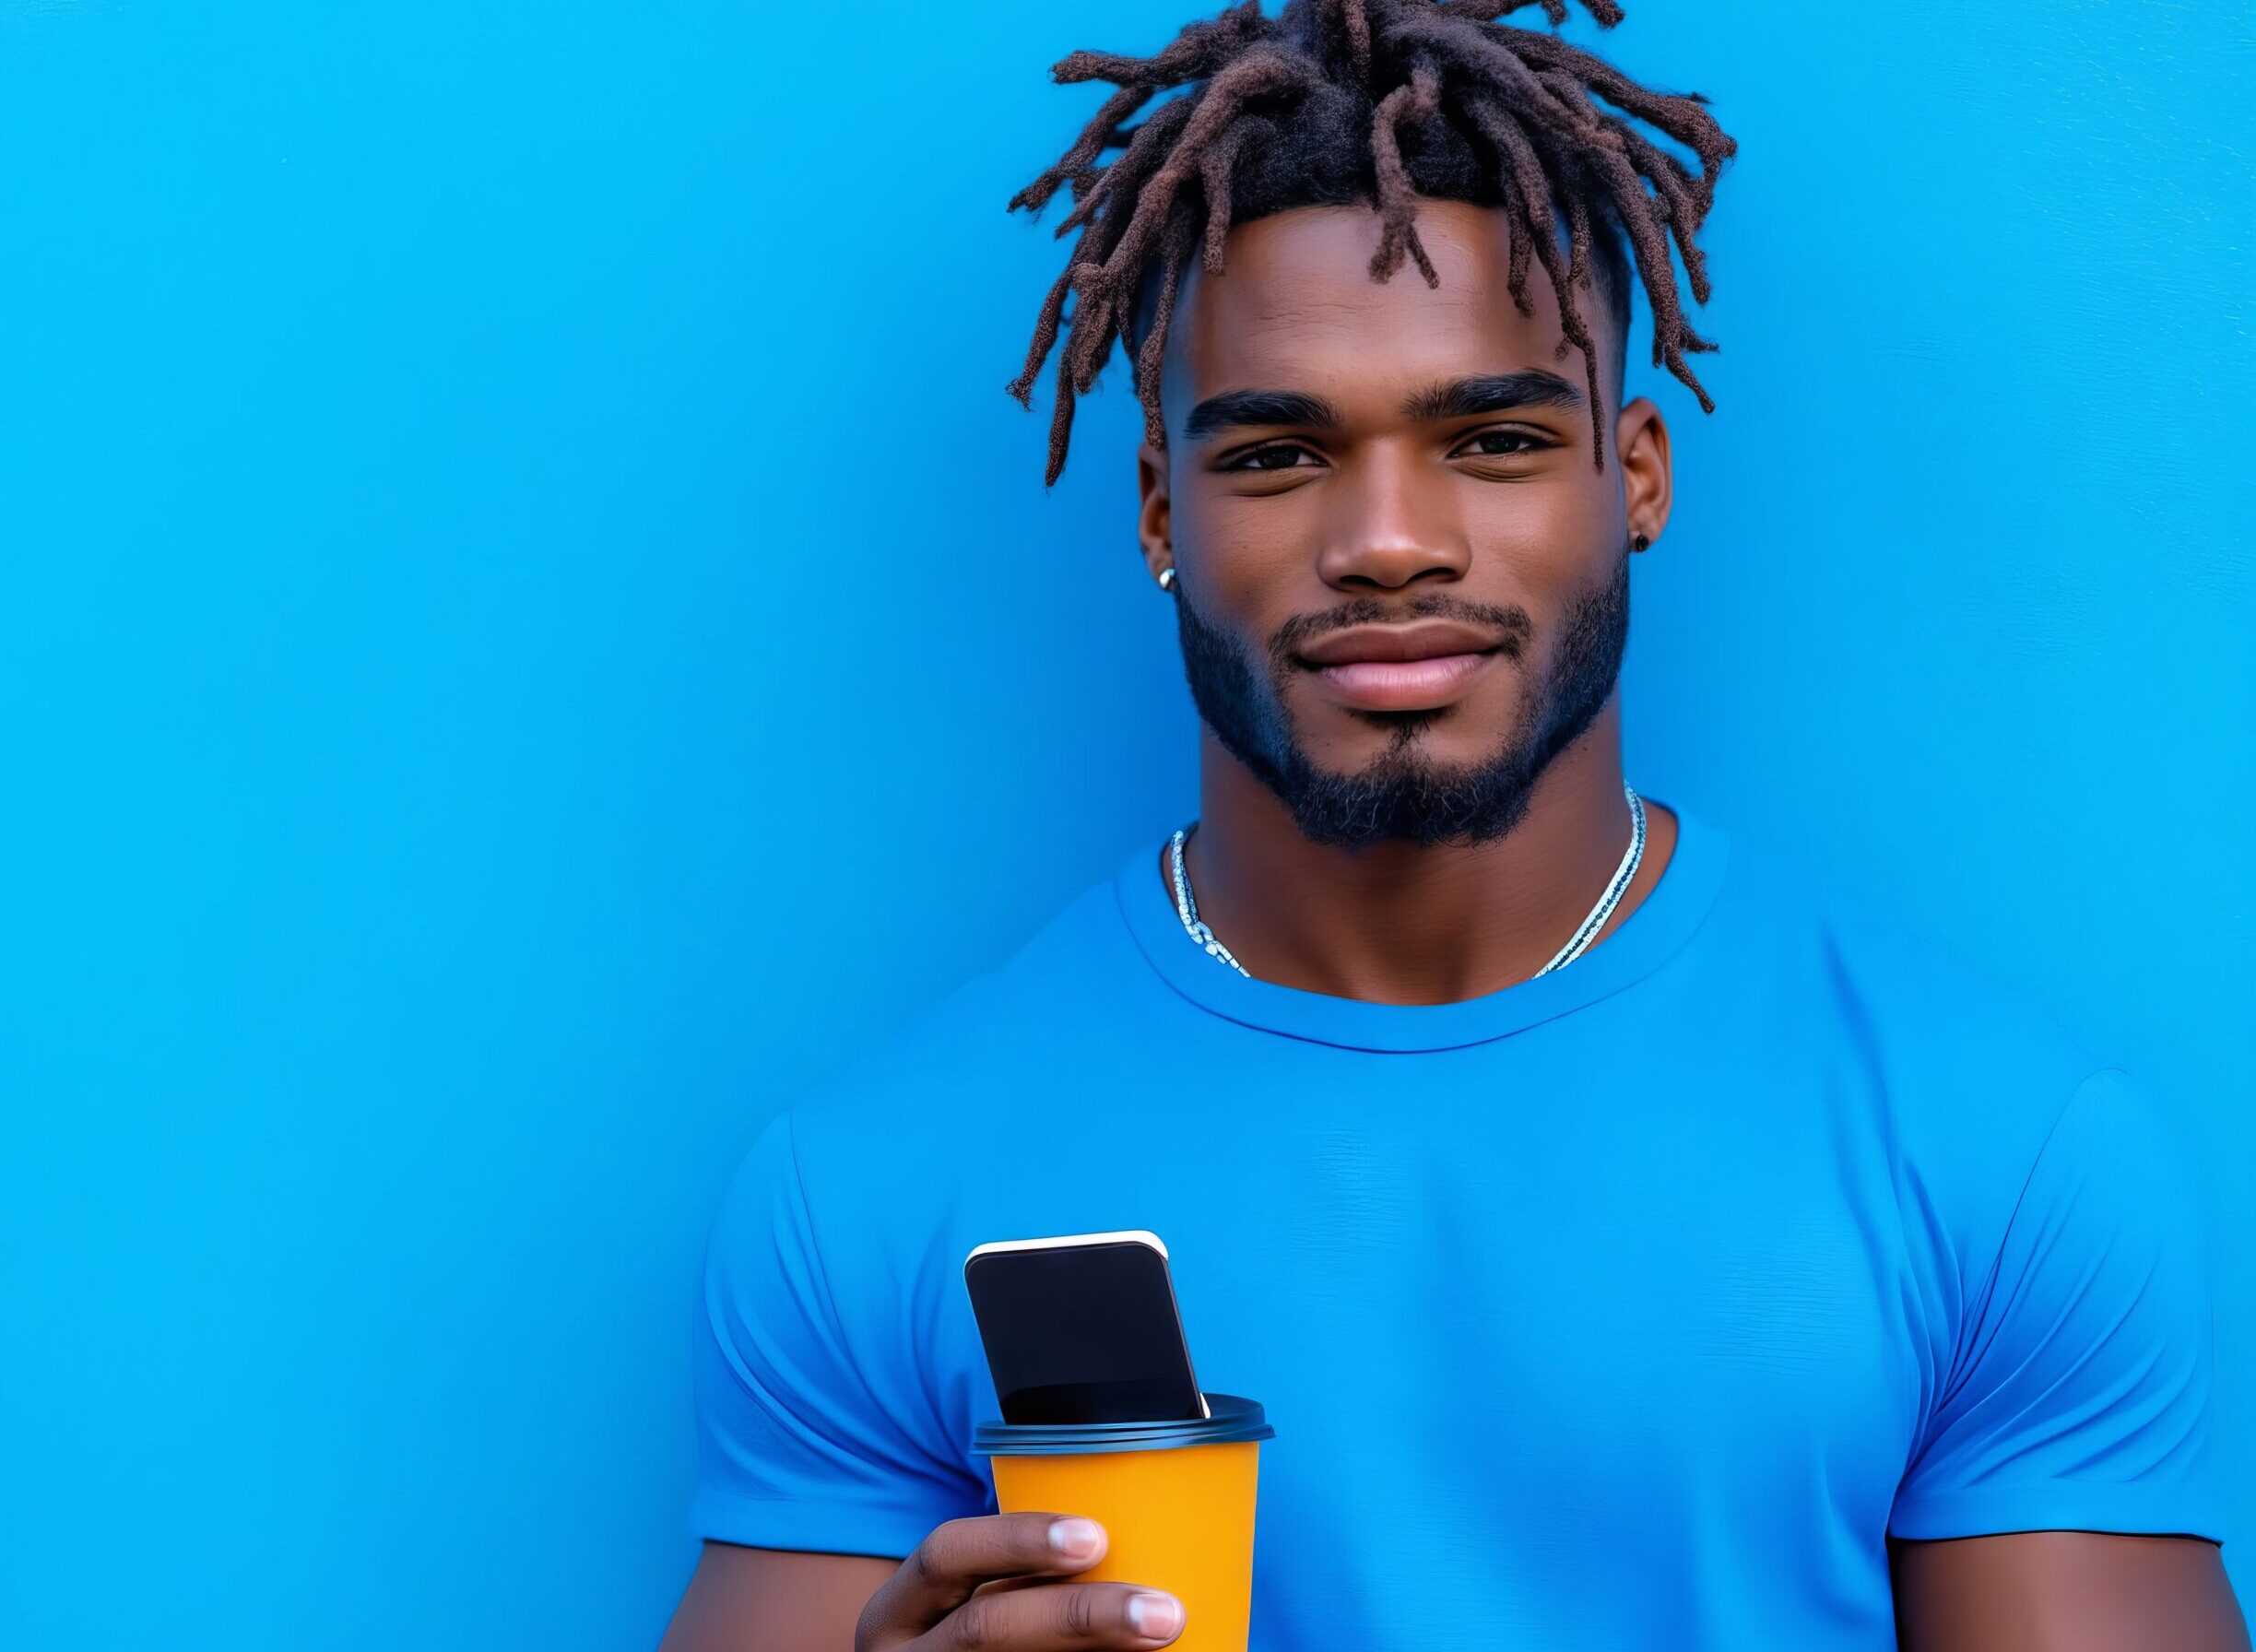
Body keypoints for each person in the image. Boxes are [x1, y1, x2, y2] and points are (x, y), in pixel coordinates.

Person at [660, 2, 2245, 1646]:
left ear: (1633, 477)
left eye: (1493, 440)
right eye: (1277, 453)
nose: (1390, 539)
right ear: (1159, 514)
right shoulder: (868, 1190)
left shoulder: (1997, 1148)